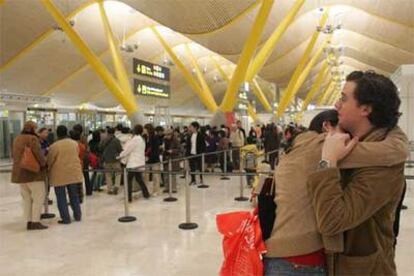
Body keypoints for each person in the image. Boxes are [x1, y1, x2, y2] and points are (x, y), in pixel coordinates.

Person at [264, 108, 408, 276]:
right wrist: (397, 137)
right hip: (302, 259)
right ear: (327, 127)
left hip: (276, 254)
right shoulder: (323, 147)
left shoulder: (295, 148)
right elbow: (389, 152)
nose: (351, 138)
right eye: (346, 132)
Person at [306, 71, 408, 275]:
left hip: (365, 269)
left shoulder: (383, 167)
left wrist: (328, 162)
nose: (336, 105)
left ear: (365, 109)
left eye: (344, 99)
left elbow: (332, 221)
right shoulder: (358, 141)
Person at [11, 121, 48, 230]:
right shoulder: (32, 139)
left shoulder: (17, 138)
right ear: (32, 129)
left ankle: (28, 221)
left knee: (26, 199)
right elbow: (38, 154)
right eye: (35, 128)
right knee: (38, 197)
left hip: (20, 174)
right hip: (33, 174)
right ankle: (36, 221)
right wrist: (44, 164)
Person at [47, 125, 83, 224]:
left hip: (59, 175)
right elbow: (77, 154)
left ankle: (66, 219)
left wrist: (48, 168)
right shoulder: (74, 143)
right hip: (73, 173)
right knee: (74, 195)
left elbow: (50, 160)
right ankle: (78, 215)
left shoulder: (54, 146)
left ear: (57, 133)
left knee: (61, 197)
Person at [118, 124, 150, 202]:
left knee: (129, 180)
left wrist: (120, 156)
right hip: (139, 162)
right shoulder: (142, 139)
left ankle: (129, 198)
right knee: (139, 179)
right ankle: (146, 194)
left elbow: (128, 150)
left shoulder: (135, 139)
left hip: (133, 163)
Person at [100, 127, 123, 195]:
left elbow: (100, 147)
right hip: (115, 159)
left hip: (106, 160)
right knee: (118, 173)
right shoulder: (116, 140)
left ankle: (109, 189)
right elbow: (120, 149)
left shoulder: (104, 140)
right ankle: (116, 186)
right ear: (114, 132)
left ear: (107, 132)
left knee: (108, 175)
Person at [144, 124, 162, 195]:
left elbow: (155, 149)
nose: (143, 130)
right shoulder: (145, 137)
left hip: (154, 159)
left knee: (156, 176)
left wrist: (149, 156)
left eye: (144, 129)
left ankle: (156, 191)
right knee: (146, 176)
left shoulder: (155, 137)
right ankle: (146, 191)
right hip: (147, 159)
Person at [162, 128, 181, 193]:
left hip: (173, 158)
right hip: (166, 158)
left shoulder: (176, 140)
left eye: (168, 135)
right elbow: (163, 148)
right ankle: (166, 187)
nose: (166, 136)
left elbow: (179, 149)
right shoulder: (164, 140)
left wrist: (172, 151)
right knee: (166, 174)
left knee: (173, 174)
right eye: (166, 135)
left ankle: (173, 188)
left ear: (171, 134)